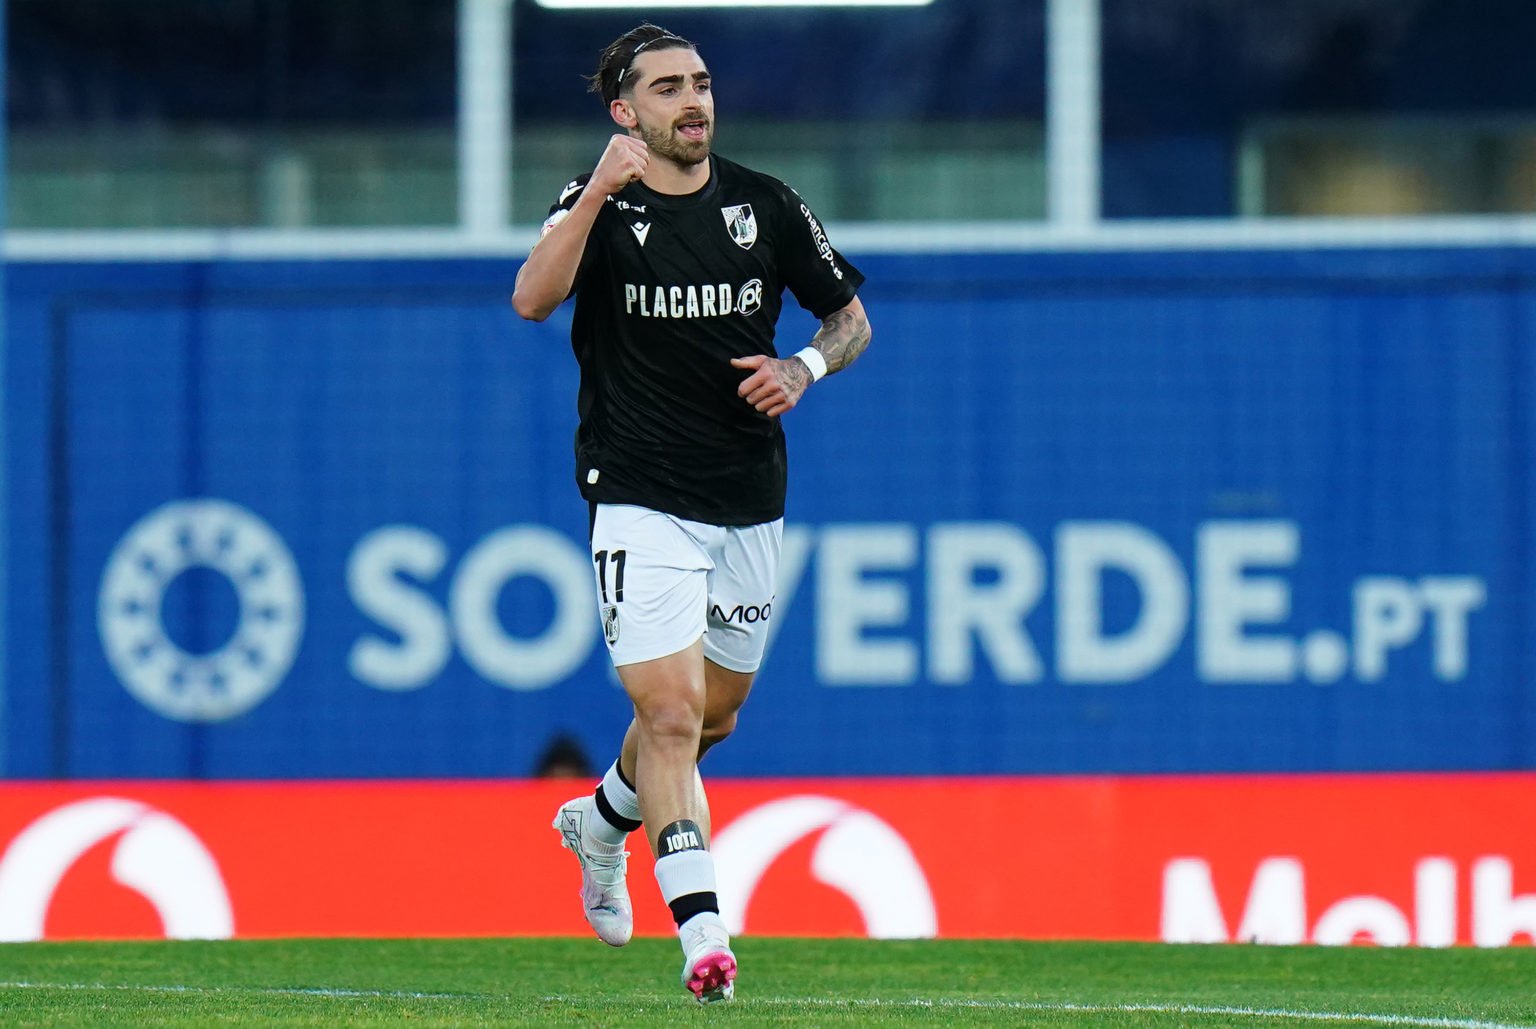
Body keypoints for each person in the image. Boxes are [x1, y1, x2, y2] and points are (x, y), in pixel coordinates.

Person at [511, 22, 870, 1005]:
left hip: (748, 498)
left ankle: (600, 820)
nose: (693, 101)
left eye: (702, 83)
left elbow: (850, 319)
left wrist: (802, 366)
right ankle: (704, 937)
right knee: (666, 714)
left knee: (715, 718)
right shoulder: (599, 209)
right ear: (625, 113)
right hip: (636, 495)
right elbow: (531, 299)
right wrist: (594, 191)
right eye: (667, 88)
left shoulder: (766, 205)